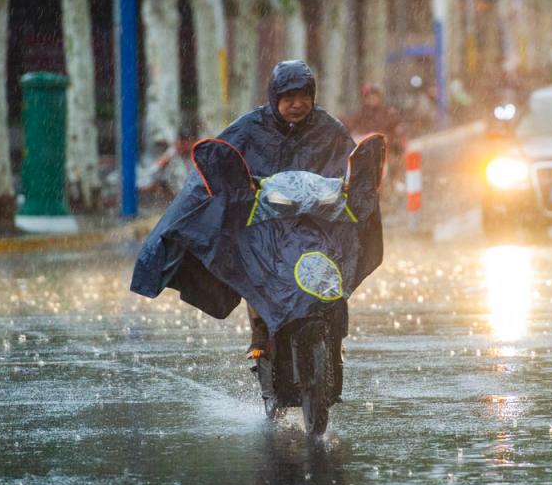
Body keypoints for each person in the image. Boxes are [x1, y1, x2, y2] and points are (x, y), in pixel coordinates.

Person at [130, 60, 383, 358]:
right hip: (264, 222)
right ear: (275, 98)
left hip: (317, 222)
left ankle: (335, 339)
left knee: (334, 269)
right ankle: (260, 332)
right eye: (289, 98)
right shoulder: (249, 128)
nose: (297, 104)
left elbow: (349, 171)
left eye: (304, 97)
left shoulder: (329, 129)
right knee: (253, 262)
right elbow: (217, 168)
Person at [343, 83, 408, 194]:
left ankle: (394, 182)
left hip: (386, 149)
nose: (372, 99)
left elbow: (398, 126)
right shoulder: (360, 115)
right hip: (365, 150)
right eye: (369, 97)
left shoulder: (388, 113)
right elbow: (348, 124)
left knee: (393, 162)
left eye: (374, 96)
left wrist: (395, 138)